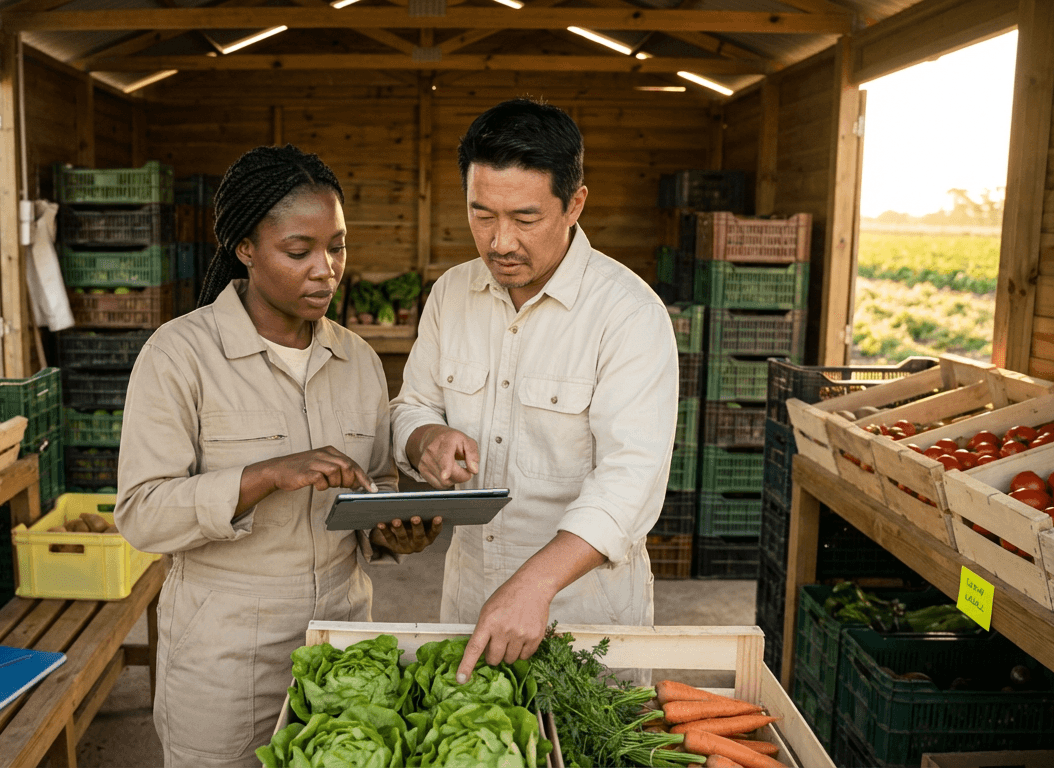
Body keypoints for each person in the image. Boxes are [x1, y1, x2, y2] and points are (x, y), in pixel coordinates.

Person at [115, 145, 443, 767]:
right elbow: (142, 514)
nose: (326, 270)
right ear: (245, 248)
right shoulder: (179, 356)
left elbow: (371, 487)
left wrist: (393, 531)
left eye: (337, 247)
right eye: (299, 252)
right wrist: (265, 475)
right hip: (224, 649)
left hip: (344, 642)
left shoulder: (358, 360)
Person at [390, 98, 679, 682]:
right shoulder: (451, 295)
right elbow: (412, 405)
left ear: (575, 204)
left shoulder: (628, 313)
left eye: (525, 219)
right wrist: (427, 438)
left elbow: (631, 479)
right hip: (470, 602)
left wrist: (535, 583)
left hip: (585, 616)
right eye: (482, 215)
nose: (500, 242)